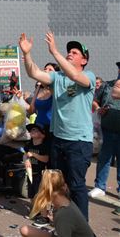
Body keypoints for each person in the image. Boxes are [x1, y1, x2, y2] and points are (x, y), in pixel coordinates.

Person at [19, 31, 95, 220]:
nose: (70, 53)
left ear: (84, 60)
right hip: (58, 139)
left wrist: (55, 52)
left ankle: (81, 227)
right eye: (69, 51)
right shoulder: (58, 77)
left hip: (78, 142)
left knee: (76, 185)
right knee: (58, 184)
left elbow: (76, 77)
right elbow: (34, 72)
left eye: (75, 52)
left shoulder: (89, 76)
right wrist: (27, 54)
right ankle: (63, 222)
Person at [20, 169, 95, 237]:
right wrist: (54, 220)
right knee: (25, 229)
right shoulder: (66, 202)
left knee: (25, 230)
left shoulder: (62, 215)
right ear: (64, 187)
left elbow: (64, 221)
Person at [89, 62, 120, 200]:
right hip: (107, 130)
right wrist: (98, 109)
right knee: (103, 158)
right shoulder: (108, 85)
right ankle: (100, 186)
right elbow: (95, 101)